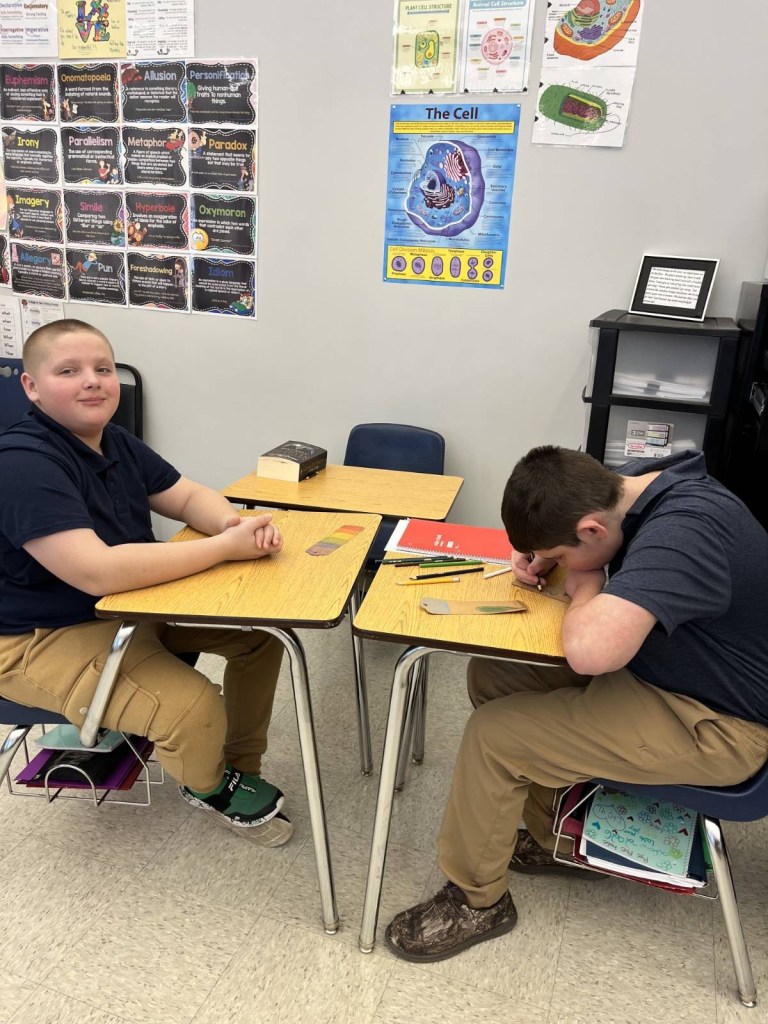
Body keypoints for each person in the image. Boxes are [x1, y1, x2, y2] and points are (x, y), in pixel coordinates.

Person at [386, 445, 768, 962]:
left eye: (563, 555)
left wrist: (585, 580)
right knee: (494, 675)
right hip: (670, 674)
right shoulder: (629, 486)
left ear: (591, 530)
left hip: (720, 723)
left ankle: (478, 902)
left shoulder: (685, 532)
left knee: (495, 738)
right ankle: (554, 837)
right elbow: (574, 515)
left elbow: (591, 652)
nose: (559, 568)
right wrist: (544, 552)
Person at [0, 319, 291, 847]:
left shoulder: (115, 441)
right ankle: (207, 785)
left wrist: (231, 524)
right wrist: (223, 548)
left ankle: (236, 765)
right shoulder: (22, 464)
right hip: (39, 637)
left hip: (124, 606)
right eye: (69, 371)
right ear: (31, 386)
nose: (92, 380)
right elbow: (96, 570)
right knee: (193, 708)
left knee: (260, 640)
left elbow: (186, 496)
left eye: (103, 368)